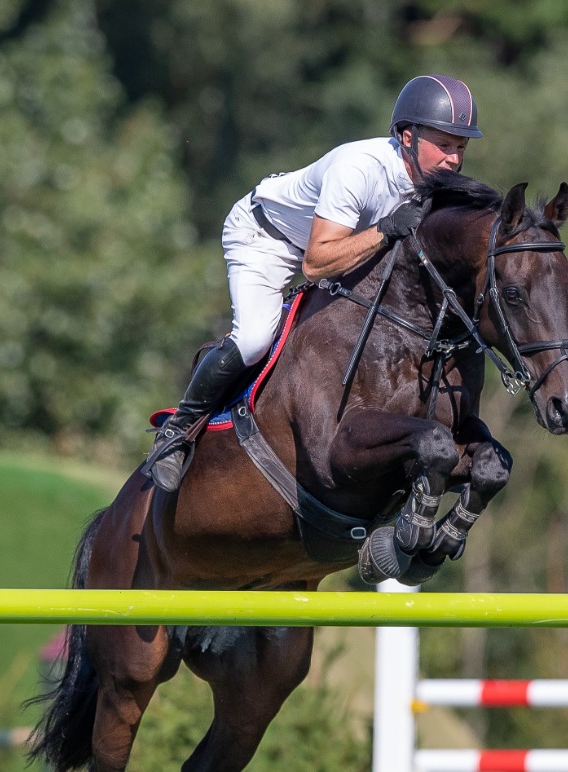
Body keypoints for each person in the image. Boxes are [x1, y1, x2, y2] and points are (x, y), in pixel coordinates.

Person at [144, 74, 484, 493]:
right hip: (267, 239)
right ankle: (176, 432)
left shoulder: (430, 186)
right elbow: (317, 265)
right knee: (254, 339)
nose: (453, 159)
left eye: (461, 148)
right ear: (408, 137)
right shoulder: (359, 168)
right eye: (445, 145)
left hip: (343, 249)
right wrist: (384, 230)